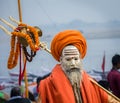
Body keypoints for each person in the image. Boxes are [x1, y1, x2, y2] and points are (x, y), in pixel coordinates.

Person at [37, 30, 120, 103]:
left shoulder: (90, 82)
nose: (73, 63)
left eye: (76, 59)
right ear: (61, 60)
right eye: (68, 59)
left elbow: (109, 100)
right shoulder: (47, 85)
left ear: (80, 59)